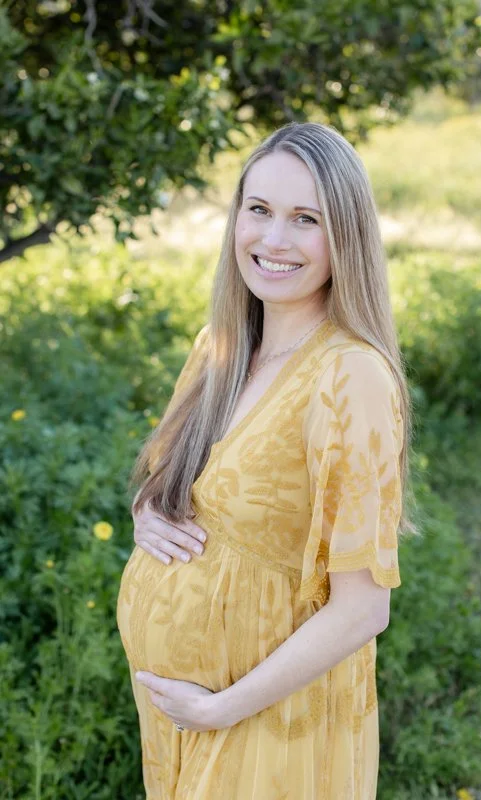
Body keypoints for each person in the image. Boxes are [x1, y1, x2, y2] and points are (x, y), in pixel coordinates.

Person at [116, 121, 414, 799]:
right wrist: (146, 513)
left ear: (345, 236)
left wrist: (221, 709)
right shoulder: (220, 347)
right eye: (259, 209)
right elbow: (181, 485)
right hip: (180, 720)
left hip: (270, 721)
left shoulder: (349, 378)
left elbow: (362, 610)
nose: (273, 240)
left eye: (306, 219)